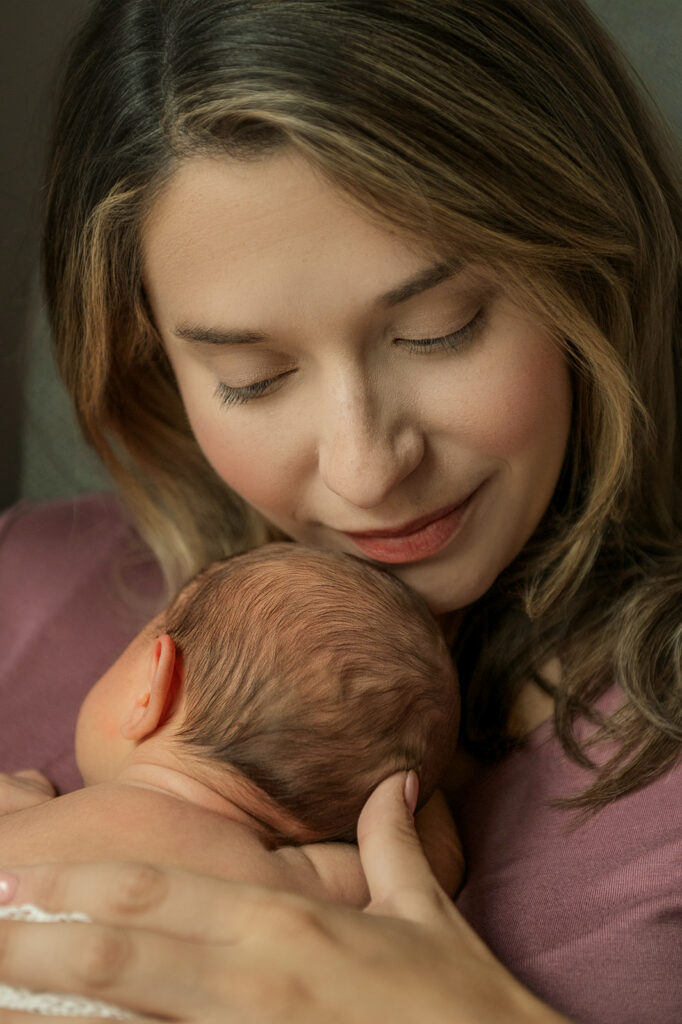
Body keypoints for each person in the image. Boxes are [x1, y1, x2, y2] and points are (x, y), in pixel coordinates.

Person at [0, 0, 680, 1021]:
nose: (367, 471)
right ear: (153, 361)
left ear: (591, 262)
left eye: (438, 330)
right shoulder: (23, 580)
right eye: (252, 376)